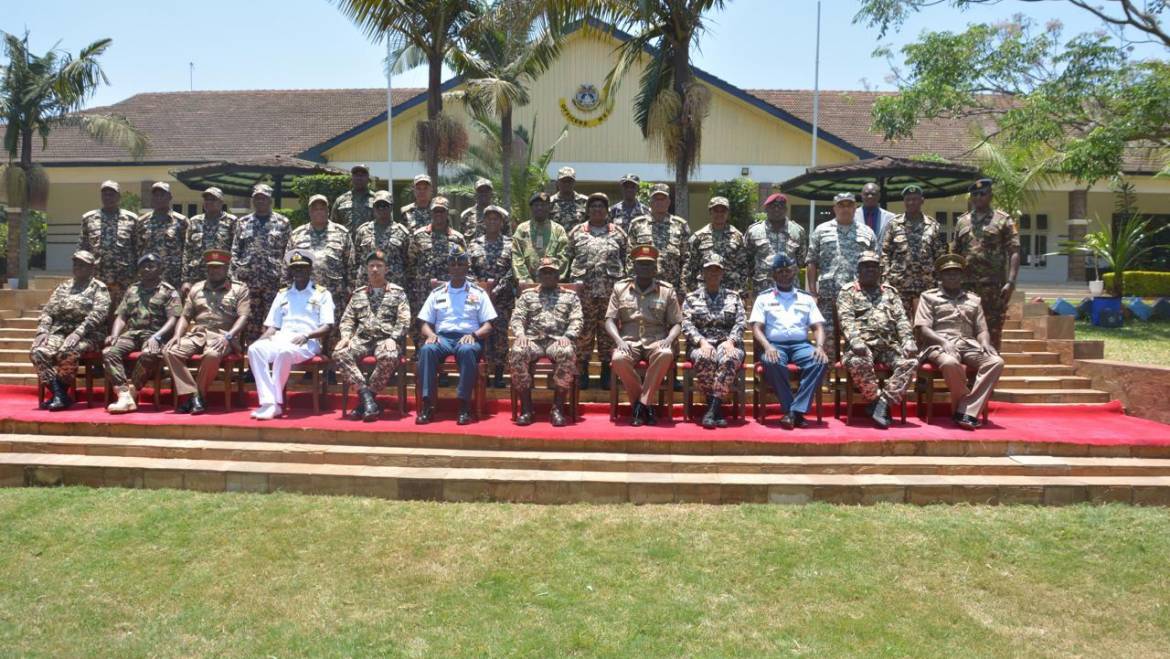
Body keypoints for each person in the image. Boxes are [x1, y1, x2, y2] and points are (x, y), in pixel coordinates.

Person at [915, 253, 1005, 430]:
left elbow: (982, 329)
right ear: (940, 276)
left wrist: (985, 343)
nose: (952, 276)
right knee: (949, 363)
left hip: (969, 344)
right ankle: (965, 410)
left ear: (962, 276)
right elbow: (922, 328)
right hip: (939, 344)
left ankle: (966, 409)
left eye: (956, 273)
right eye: (947, 273)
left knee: (996, 362)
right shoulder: (928, 297)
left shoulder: (974, 299)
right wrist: (943, 342)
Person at [247, 250, 335, 420]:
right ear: (291, 271)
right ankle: (269, 403)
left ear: (310, 270)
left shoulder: (322, 294)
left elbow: (327, 326)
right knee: (254, 349)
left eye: (302, 268)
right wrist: (259, 341)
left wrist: (308, 335)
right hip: (282, 338)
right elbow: (273, 326)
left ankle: (274, 404)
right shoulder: (283, 294)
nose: (299, 272)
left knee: (284, 352)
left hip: (308, 341)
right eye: (295, 269)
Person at [415, 246, 497, 426]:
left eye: (461, 264)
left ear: (467, 266)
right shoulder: (437, 293)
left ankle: (464, 405)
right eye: (453, 264)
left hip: (468, 336)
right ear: (449, 267)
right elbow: (424, 322)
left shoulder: (478, 293)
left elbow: (489, 325)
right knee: (427, 349)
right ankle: (427, 405)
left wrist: (474, 335)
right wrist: (430, 334)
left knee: (467, 350)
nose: (457, 267)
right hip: (442, 338)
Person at [837, 251, 918, 429]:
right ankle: (875, 401)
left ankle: (882, 403)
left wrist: (908, 341)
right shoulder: (848, 291)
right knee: (858, 361)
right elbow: (846, 320)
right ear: (858, 270)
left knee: (911, 361)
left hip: (889, 346)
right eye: (865, 266)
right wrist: (855, 340)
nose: (870, 270)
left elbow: (902, 320)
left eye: (874, 266)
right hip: (862, 346)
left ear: (880, 270)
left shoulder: (890, 293)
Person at [164, 249, 250, 415]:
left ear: (226, 269)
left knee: (212, 355)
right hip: (198, 334)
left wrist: (229, 336)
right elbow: (185, 316)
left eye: (218, 268)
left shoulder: (239, 289)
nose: (214, 271)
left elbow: (243, 317)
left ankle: (198, 395)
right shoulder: (197, 288)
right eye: (211, 268)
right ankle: (194, 396)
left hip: (223, 336)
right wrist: (177, 336)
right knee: (169, 351)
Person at [749, 253, 829, 429]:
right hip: (775, 345)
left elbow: (818, 327)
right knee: (771, 359)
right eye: (780, 271)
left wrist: (820, 347)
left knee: (820, 361)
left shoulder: (806, 298)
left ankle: (793, 412)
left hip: (801, 345)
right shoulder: (764, 298)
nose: (784, 275)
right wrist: (768, 346)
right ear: (774, 275)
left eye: (788, 271)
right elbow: (756, 328)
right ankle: (794, 411)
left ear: (794, 273)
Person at [606, 245, 682, 427]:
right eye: (641, 264)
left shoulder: (667, 290)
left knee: (665, 354)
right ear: (634, 267)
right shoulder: (620, 288)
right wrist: (618, 340)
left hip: (656, 340)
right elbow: (609, 320)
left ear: (655, 268)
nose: (645, 268)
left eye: (649, 265)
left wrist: (669, 340)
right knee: (618, 359)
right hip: (628, 341)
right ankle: (644, 405)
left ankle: (640, 406)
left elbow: (677, 323)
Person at [333, 249, 412, 421]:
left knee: (390, 356)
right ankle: (368, 399)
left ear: (386, 269)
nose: (375, 269)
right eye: (371, 266)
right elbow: (347, 320)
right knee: (339, 353)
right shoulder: (358, 294)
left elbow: (404, 320)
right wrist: (346, 337)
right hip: (362, 339)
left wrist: (394, 338)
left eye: (379, 266)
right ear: (366, 269)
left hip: (385, 340)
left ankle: (365, 404)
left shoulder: (397, 293)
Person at [563, 192, 628, 390]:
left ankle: (606, 372)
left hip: (610, 294)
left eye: (601, 206)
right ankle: (582, 371)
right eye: (593, 206)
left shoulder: (618, 232)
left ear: (607, 211)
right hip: (584, 295)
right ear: (587, 210)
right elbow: (566, 260)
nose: (597, 209)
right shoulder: (577, 232)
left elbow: (627, 261)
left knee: (608, 333)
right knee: (584, 332)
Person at [31, 250, 110, 411]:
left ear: (91, 268)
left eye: (82, 265)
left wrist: (78, 333)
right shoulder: (64, 286)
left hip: (89, 334)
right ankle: (61, 394)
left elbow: (98, 314)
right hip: (60, 331)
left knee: (68, 351)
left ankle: (60, 396)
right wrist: (43, 331)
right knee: (38, 352)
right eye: (75, 264)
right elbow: (48, 311)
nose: (77, 267)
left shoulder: (98, 288)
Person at [509, 257, 583, 427]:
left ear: (558, 276)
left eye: (551, 273)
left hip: (557, 340)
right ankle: (527, 409)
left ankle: (557, 409)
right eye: (544, 273)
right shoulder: (528, 295)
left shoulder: (570, 296)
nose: (548, 276)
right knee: (518, 352)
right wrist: (520, 334)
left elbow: (577, 320)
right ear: (538, 276)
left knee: (566, 353)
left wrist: (568, 336)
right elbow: (518, 317)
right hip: (532, 340)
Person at [103, 254, 181, 414]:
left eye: (151, 265)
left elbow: (173, 319)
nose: (147, 269)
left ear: (160, 269)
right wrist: (115, 334)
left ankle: (133, 390)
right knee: (109, 352)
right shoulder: (132, 289)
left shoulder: (169, 291)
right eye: (143, 266)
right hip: (132, 334)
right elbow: (122, 316)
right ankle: (124, 394)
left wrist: (157, 336)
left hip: (155, 334)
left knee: (150, 353)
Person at [952, 178, 1020, 350]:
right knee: (965, 330)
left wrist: (1011, 282)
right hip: (966, 287)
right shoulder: (962, 221)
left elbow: (1014, 251)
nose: (978, 197)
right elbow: (955, 254)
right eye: (974, 194)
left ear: (990, 195)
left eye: (982, 194)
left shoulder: (1003, 220)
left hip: (993, 287)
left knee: (993, 331)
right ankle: (970, 372)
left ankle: (992, 369)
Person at [807, 191, 877, 356]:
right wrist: (812, 292)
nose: (845, 209)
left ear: (855, 207)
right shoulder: (821, 230)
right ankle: (825, 378)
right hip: (828, 295)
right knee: (827, 338)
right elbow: (811, 261)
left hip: (858, 295)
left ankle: (852, 377)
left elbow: (875, 266)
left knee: (858, 337)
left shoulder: (867, 232)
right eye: (841, 205)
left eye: (849, 205)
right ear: (834, 208)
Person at [681, 255, 745, 429]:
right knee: (704, 358)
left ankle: (712, 409)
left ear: (722, 273)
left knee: (729, 359)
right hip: (702, 344)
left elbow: (740, 322)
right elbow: (686, 324)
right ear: (702, 273)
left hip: (728, 343)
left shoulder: (734, 297)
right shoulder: (691, 298)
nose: (713, 273)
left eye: (717, 270)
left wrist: (731, 341)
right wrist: (701, 342)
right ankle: (716, 410)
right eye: (709, 270)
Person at [230, 183, 291, 342]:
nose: (260, 201)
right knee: (250, 322)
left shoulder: (283, 222)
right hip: (248, 281)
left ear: (270, 201)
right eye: (257, 198)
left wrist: (286, 279)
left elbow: (289, 252)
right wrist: (234, 276)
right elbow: (235, 250)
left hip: (273, 281)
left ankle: (271, 361)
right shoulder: (243, 222)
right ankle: (251, 361)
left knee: (273, 321)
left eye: (264, 198)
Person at [880, 185, 949, 319]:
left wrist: (940, 280)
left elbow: (940, 255)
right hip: (899, 283)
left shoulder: (933, 225)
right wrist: (886, 277)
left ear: (922, 201)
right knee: (900, 321)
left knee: (925, 321)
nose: (911, 202)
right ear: (904, 202)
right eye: (908, 199)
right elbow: (885, 253)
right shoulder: (894, 224)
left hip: (926, 283)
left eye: (915, 199)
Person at [407, 196, 467, 345]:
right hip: (423, 290)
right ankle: (421, 358)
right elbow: (410, 262)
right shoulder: (419, 235)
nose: (438, 214)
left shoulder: (457, 238)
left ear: (447, 214)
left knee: (445, 322)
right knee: (421, 324)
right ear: (430, 213)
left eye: (442, 211)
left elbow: (464, 264)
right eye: (435, 211)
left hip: (449, 291)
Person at [468, 205, 514, 387]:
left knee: (501, 336)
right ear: (484, 222)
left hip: (502, 299)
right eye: (489, 218)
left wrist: (497, 289)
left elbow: (513, 270)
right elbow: (468, 270)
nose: (493, 222)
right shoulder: (474, 244)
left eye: (496, 219)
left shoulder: (511, 244)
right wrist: (482, 289)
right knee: (482, 336)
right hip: (479, 299)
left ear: (501, 222)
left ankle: (499, 375)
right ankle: (484, 374)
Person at [285, 193, 353, 313]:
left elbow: (351, 265)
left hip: (335, 295)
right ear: (309, 212)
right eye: (315, 209)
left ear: (328, 211)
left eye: (322, 208)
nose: (319, 212)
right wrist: (287, 290)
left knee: (333, 330)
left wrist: (350, 290)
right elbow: (287, 266)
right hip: (304, 295)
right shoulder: (297, 234)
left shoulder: (342, 233)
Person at [77, 180, 138, 311]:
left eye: (112, 194)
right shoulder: (89, 218)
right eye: (105, 194)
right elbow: (83, 249)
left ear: (119, 197)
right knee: (96, 311)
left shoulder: (131, 219)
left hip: (124, 277)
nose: (108, 197)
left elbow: (137, 248)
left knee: (123, 312)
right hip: (97, 276)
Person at [626, 183, 691, 304]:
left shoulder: (681, 225)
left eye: (663, 199)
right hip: (643, 289)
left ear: (669, 202)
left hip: (672, 289)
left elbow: (686, 260)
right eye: (656, 199)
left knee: (672, 322)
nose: (660, 202)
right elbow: (630, 257)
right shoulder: (637, 224)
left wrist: (683, 290)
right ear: (650, 202)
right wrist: (632, 284)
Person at [744, 193, 807, 298]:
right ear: (766, 209)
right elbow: (747, 260)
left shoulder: (798, 231)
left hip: (790, 287)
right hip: (762, 287)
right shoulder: (754, 231)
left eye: (781, 206)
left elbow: (801, 260)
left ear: (786, 209)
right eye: (773, 206)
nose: (777, 209)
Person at [181, 187, 236, 298]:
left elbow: (235, 250)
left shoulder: (231, 221)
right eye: (207, 200)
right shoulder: (195, 221)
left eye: (213, 199)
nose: (209, 202)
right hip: (197, 276)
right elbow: (187, 251)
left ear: (221, 202)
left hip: (222, 277)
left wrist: (233, 277)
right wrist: (185, 280)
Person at [686, 196, 747, 294]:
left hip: (731, 290)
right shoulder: (698, 237)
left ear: (727, 213)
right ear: (710, 212)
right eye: (716, 211)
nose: (719, 214)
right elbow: (690, 267)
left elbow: (743, 267)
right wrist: (693, 291)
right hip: (704, 291)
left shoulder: (737, 236)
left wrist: (742, 292)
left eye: (723, 211)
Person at [352, 190, 411, 289]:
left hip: (394, 288)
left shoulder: (402, 232)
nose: (381, 209)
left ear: (391, 207)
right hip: (367, 287)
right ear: (373, 208)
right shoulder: (363, 231)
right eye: (378, 206)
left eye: (385, 205)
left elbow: (408, 263)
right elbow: (356, 260)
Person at [135, 181, 188, 289]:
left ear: (169, 197)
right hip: (149, 277)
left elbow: (187, 252)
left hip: (173, 278)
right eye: (155, 195)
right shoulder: (142, 222)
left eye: (162, 195)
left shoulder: (181, 221)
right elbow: (137, 250)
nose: (158, 198)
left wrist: (185, 279)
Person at [512, 191, 569, 283]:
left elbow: (564, 257)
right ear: (531, 208)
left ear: (549, 207)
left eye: (543, 205)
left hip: (552, 283)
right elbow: (516, 256)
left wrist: (552, 278)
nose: (539, 208)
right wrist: (525, 279)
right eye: (536, 205)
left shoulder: (558, 230)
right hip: (527, 283)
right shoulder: (522, 229)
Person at [331, 164, 374, 236]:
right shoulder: (341, 200)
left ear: (368, 178)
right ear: (352, 178)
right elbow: (333, 225)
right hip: (346, 244)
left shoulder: (376, 199)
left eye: (362, 175)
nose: (359, 178)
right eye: (356, 175)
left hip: (369, 244)